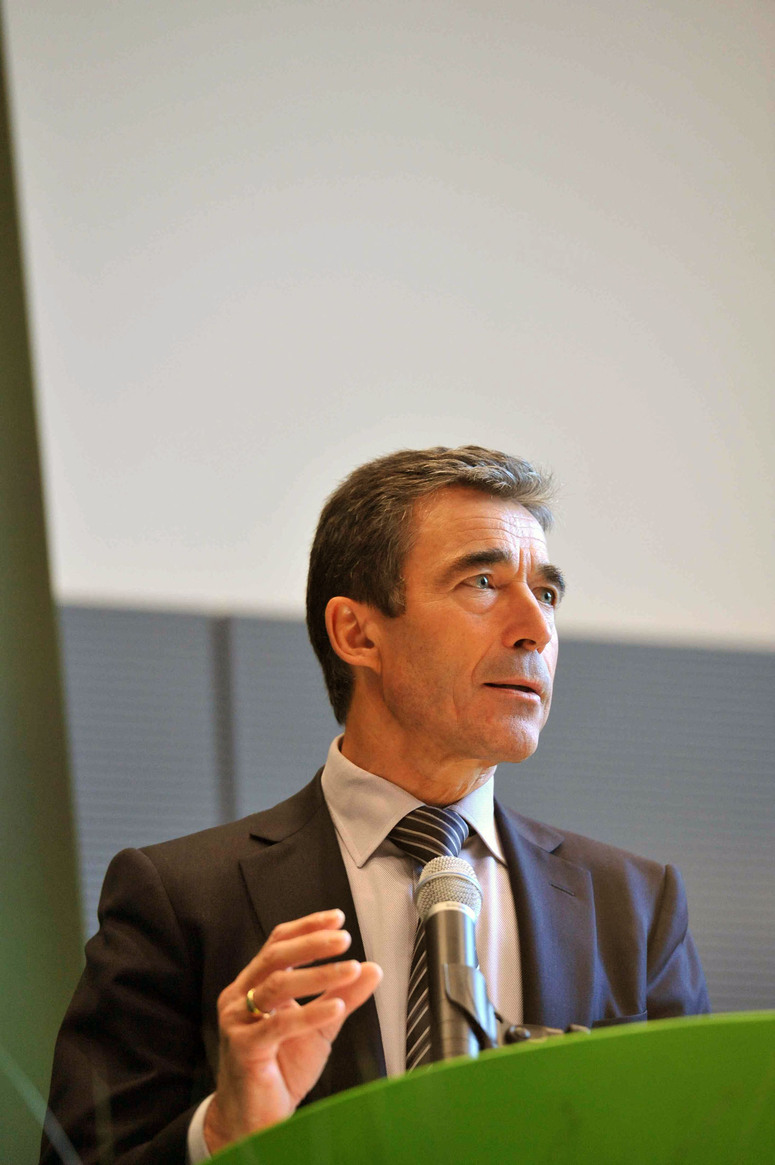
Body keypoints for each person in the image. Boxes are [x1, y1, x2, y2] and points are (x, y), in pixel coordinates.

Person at [41, 446, 709, 1164]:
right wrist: (222, 1132)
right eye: (483, 581)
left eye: (545, 593)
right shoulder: (180, 900)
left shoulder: (633, 908)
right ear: (356, 632)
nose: (535, 629)